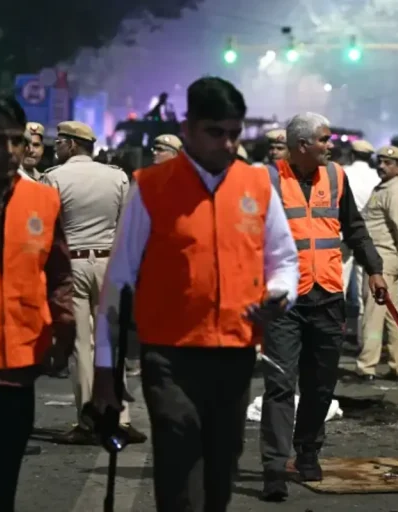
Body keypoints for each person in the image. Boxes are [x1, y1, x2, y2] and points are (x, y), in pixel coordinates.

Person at [91, 76, 299, 512]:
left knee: (220, 470)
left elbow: (283, 260)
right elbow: (118, 283)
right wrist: (105, 374)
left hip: (235, 353)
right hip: (170, 355)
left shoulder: (258, 185)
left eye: (234, 133)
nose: (227, 144)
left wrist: (280, 294)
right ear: (188, 128)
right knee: (179, 446)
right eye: (215, 132)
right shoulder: (150, 187)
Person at [260, 112, 385, 501]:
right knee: (280, 385)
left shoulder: (336, 177)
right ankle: (275, 468)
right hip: (284, 301)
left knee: (320, 386)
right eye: (324, 140)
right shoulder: (266, 181)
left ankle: (308, 453)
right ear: (302, 146)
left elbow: (355, 227)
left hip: (328, 295)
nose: (331, 146)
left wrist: (375, 269)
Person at [0, 96, 76, 511]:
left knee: (0, 487)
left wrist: (65, 329)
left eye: (17, 141)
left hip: (18, 370)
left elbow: (59, 274)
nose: (10, 150)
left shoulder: (44, 201)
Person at [41, 121, 144, 445]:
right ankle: (121, 419)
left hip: (71, 264)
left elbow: (48, 227)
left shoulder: (54, 177)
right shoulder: (116, 176)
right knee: (111, 344)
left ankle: (88, 420)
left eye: (59, 141)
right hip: (109, 263)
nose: (54, 146)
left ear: (72, 145)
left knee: (80, 346)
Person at [357, 145, 398, 381]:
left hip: (381, 258)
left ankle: (366, 366)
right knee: (393, 315)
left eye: (388, 163)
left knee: (373, 313)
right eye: (379, 161)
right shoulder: (384, 188)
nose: (381, 166)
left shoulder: (396, 191)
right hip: (384, 257)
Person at [342, 139, 380, 326]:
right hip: (367, 235)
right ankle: (362, 337)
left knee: (339, 285)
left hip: (343, 233)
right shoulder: (377, 176)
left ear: (352, 154)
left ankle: (335, 332)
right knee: (365, 289)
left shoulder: (343, 172)